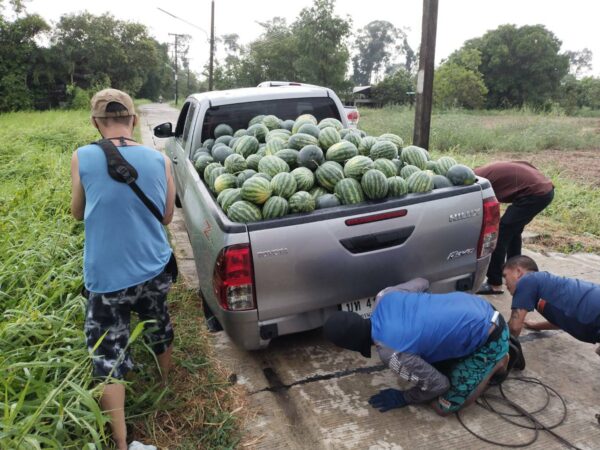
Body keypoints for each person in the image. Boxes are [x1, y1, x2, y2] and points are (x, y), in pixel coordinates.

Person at [70, 88, 176, 450]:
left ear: (95, 122)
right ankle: (164, 384)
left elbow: (77, 211)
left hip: (106, 277)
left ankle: (119, 440)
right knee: (157, 321)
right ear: (132, 119)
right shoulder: (159, 159)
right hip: (153, 267)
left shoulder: (82, 156)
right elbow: (166, 215)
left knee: (107, 352)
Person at [323, 279, 510, 416]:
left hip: (490, 337)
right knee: (427, 357)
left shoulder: (391, 352)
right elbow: (423, 282)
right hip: (479, 305)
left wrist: (405, 397)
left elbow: (438, 385)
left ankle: (497, 362)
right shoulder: (385, 295)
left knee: (443, 406)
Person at [474, 161, 554, 295]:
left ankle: (495, 284)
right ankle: (518, 275)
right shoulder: (482, 173)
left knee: (498, 235)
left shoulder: (476, 184)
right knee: (513, 232)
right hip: (544, 189)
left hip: (535, 193)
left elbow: (485, 213)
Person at [503, 255, 600, 356]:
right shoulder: (546, 289)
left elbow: (514, 327)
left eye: (505, 276)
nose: (505, 284)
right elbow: (562, 321)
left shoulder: (528, 279)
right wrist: (536, 325)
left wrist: (501, 353)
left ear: (518, 272)